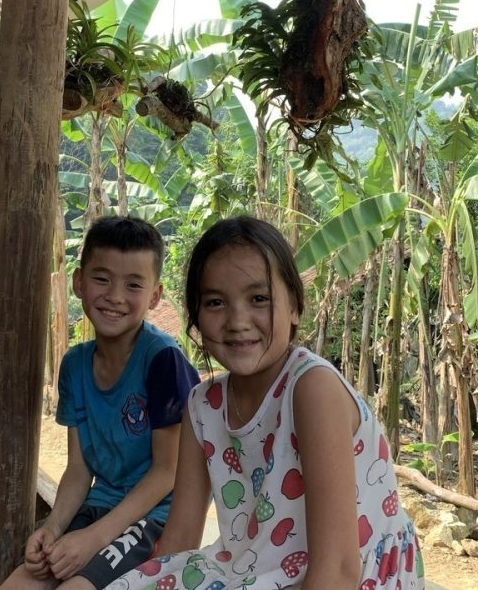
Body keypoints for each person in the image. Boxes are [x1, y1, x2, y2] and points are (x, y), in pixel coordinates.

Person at [110, 216, 424, 590]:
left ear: (294, 306)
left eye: (258, 299)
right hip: (261, 570)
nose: (237, 320)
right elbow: (178, 542)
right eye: (215, 302)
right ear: (195, 317)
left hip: (357, 575)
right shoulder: (202, 404)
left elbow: (338, 569)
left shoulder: (311, 388)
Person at [0, 216, 200, 590]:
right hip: (96, 507)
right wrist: (53, 527)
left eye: (134, 284)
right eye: (102, 278)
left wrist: (94, 538)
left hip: (152, 517)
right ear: (79, 282)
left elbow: (166, 472)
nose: (115, 296)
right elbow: (78, 469)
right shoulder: (75, 365)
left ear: (155, 296)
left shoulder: (163, 360)